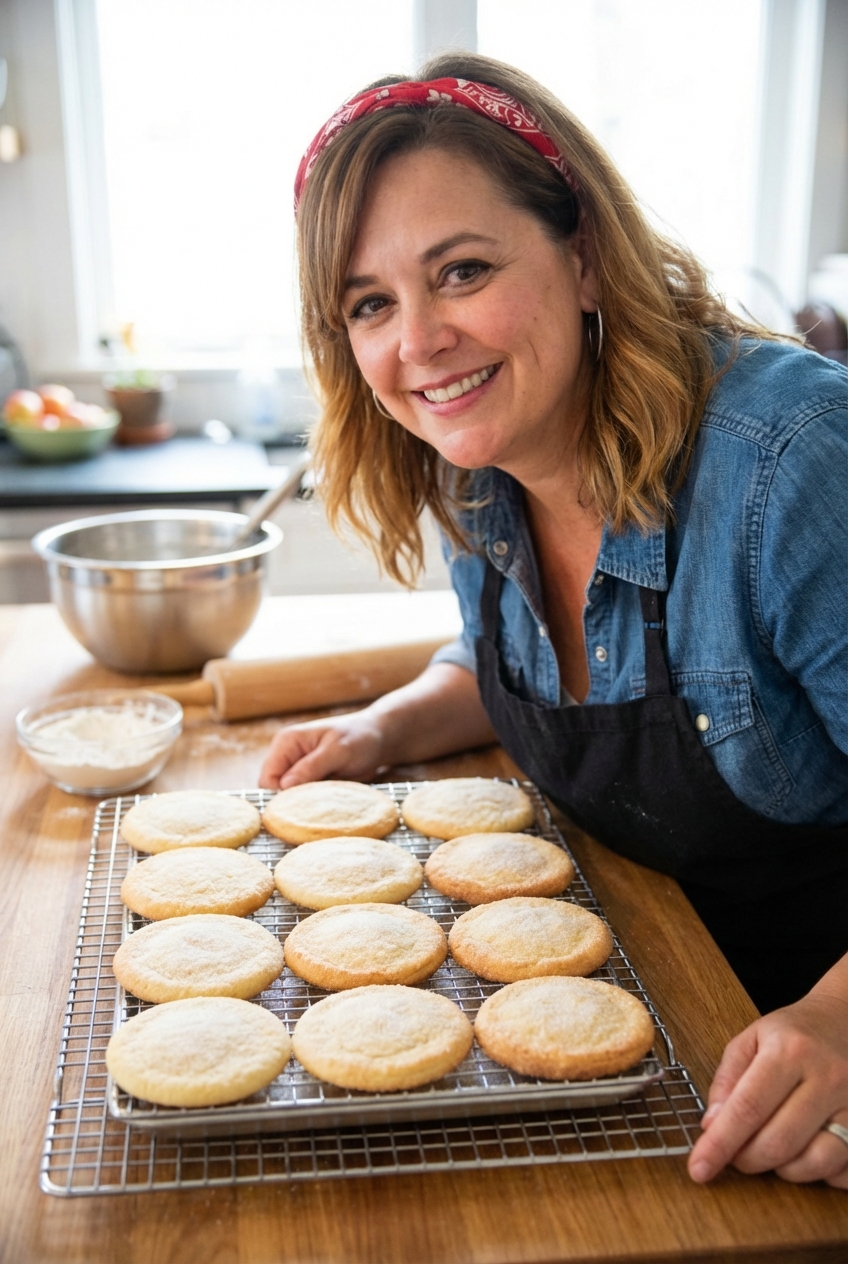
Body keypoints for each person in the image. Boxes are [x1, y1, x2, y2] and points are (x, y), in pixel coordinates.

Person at [260, 53, 848, 1188]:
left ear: (582, 256)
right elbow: (537, 663)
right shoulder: (476, 461)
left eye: (462, 270)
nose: (416, 342)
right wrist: (385, 728)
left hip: (798, 1066)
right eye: (368, 304)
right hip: (661, 1008)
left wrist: (834, 1020)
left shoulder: (792, 467)